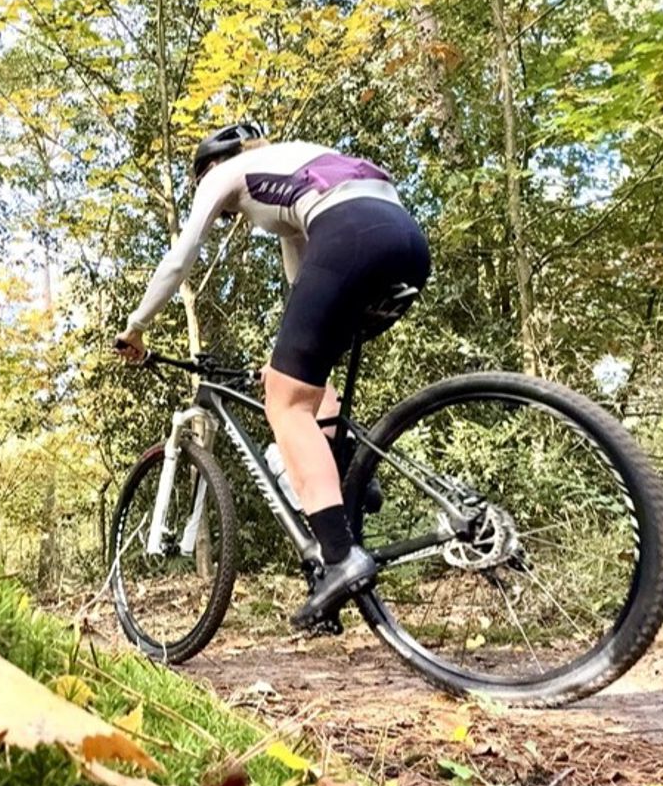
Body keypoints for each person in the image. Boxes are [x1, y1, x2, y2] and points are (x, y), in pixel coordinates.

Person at [115, 122, 430, 628]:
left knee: (283, 403)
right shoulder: (301, 161)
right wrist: (283, 363)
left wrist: (135, 328)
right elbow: (301, 289)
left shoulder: (228, 172)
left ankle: (341, 560)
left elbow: (180, 258)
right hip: (406, 242)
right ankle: (347, 479)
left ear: (209, 166)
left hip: (349, 237)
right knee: (303, 384)